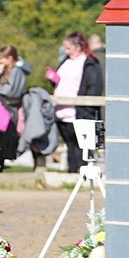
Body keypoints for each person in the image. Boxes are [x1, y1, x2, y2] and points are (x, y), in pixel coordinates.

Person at [48, 31, 103, 173]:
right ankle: (72, 173)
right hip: (62, 110)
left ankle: (83, 174)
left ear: (78, 47)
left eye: (69, 48)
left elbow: (94, 87)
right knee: (70, 145)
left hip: (80, 111)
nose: (67, 51)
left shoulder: (90, 62)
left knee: (82, 147)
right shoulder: (66, 61)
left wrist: (85, 107)